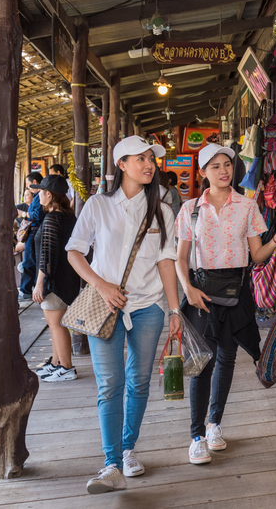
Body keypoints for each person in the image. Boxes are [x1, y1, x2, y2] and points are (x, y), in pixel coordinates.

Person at [66, 135, 182, 494]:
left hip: (149, 308)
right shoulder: (98, 205)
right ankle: (111, 464)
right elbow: (74, 252)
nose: (149, 165)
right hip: (105, 307)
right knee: (109, 386)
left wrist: (175, 309)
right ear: (121, 164)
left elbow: (166, 261)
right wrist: (101, 285)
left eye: (152, 159)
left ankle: (128, 449)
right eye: (141, 158)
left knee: (140, 382)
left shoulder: (162, 209)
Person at [175, 143, 276, 465]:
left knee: (227, 358)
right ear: (203, 173)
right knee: (203, 363)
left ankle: (215, 425)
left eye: (227, 164)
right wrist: (187, 289)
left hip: (237, 290)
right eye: (215, 166)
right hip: (201, 291)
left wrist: (275, 241)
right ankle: (197, 435)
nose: (223, 170)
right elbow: (181, 257)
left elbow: (256, 256)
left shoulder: (247, 205)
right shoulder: (190, 209)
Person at [31, 175, 81, 382]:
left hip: (54, 281)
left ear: (49, 194)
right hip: (66, 278)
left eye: (40, 192)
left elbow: (47, 254)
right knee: (56, 324)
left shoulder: (52, 218)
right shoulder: (69, 216)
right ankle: (56, 363)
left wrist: (39, 282)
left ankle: (66, 367)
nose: (38, 196)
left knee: (56, 324)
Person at [19, 172, 46, 300]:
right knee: (32, 261)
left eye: (29, 184)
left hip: (35, 230)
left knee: (29, 262)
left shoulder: (40, 195)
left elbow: (37, 215)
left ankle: (26, 291)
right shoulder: (37, 196)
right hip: (34, 231)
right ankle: (31, 289)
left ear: (34, 182)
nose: (28, 187)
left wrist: (23, 214)